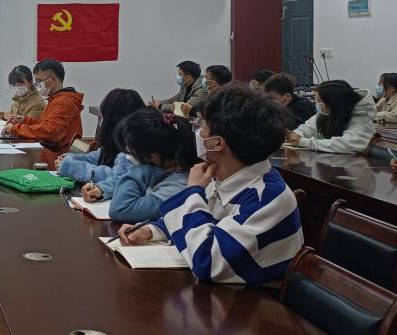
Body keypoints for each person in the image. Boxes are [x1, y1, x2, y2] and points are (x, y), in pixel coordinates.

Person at [120, 86, 303, 285]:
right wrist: (152, 230)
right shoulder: (223, 176)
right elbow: (192, 220)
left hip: (254, 299)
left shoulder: (268, 197)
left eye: (202, 126)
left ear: (217, 143)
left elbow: (207, 261)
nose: (198, 133)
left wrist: (193, 193)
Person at [82, 108, 196, 223]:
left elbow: (120, 209)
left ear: (152, 157)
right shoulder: (163, 167)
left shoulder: (177, 188)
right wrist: (102, 189)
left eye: (131, 152)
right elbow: (126, 179)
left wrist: (141, 169)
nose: (128, 156)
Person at [58, 88, 144, 185]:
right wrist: (69, 159)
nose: (101, 122)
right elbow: (98, 156)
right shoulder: (116, 144)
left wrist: (71, 167)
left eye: (104, 116)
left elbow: (116, 179)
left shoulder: (133, 153)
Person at [3, 59, 83, 154]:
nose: (37, 85)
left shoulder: (63, 102)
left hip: (59, 155)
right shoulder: (55, 99)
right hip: (51, 150)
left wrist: (15, 128)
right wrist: (24, 120)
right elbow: (44, 124)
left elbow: (50, 132)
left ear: (52, 80)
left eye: (39, 81)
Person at [286, 79, 378, 154]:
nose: (318, 105)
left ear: (334, 104)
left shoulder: (361, 119)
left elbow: (346, 144)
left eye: (320, 103)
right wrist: (295, 136)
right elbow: (307, 128)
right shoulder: (328, 112)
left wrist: (304, 142)